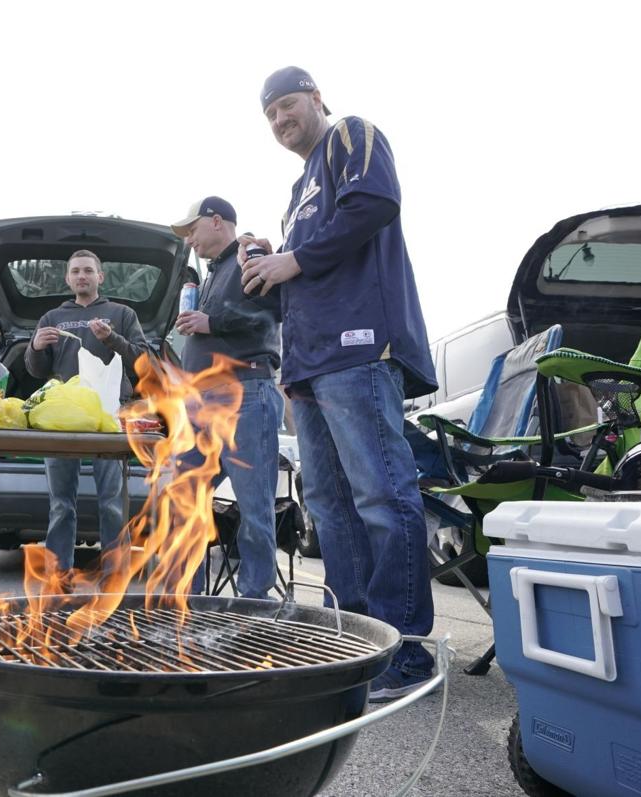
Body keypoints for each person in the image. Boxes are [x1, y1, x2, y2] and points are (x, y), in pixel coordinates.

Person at [239, 66, 440, 701]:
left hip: (358, 348)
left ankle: (407, 654)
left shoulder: (352, 135)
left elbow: (375, 203)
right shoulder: (299, 188)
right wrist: (273, 263)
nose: (279, 120)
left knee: (382, 495)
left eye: (288, 105)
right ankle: (355, 642)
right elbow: (309, 262)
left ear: (318, 99)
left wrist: (292, 258)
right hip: (307, 361)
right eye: (269, 113)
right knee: (328, 507)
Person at [169, 196, 284, 600]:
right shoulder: (212, 275)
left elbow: (272, 310)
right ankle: (190, 603)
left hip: (245, 395)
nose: (189, 242)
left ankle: (255, 605)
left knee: (254, 507)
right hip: (201, 403)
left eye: (192, 230)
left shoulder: (249, 255)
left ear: (217, 221)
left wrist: (211, 320)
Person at [24, 250, 149, 574]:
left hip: (109, 416)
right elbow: (36, 370)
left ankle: (115, 573)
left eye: (88, 271)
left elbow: (142, 361)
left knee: (112, 503)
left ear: (100, 277)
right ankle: (58, 574)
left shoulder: (120, 313)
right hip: (62, 418)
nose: (82, 276)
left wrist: (112, 339)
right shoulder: (52, 318)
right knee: (61, 504)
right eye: (76, 271)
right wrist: (35, 346)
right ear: (67, 278)